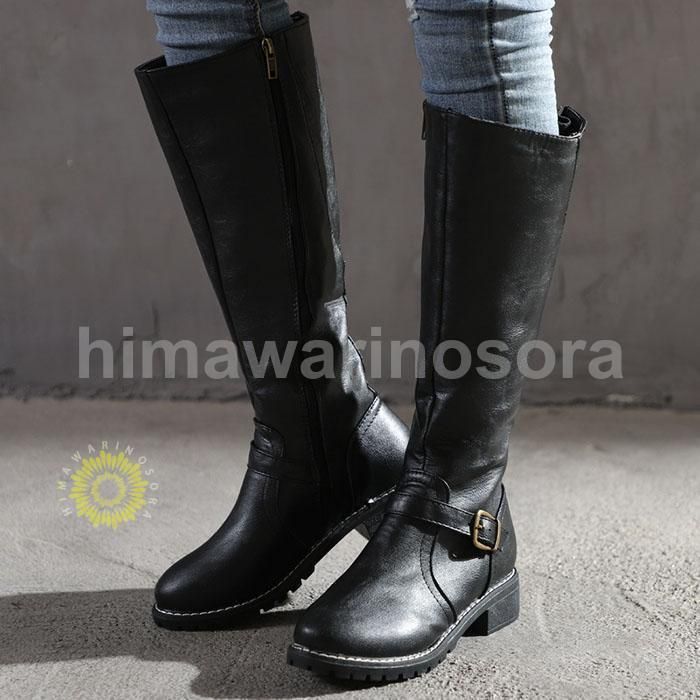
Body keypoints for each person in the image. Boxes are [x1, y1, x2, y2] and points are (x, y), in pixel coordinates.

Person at [134, 0, 585, 681]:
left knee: (477, 12)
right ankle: (312, 448)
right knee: (206, 9)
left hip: (458, 515)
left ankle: (460, 511)